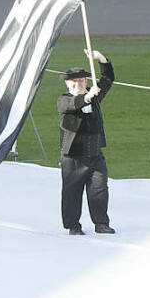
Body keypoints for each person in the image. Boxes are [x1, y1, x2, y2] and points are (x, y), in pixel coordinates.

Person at [58, 50, 116, 235]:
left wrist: (101, 59)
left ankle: (101, 223)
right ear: (68, 83)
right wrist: (87, 97)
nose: (78, 84)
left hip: (94, 153)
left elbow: (108, 79)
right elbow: (73, 104)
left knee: (99, 189)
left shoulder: (94, 95)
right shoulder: (64, 100)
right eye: (74, 82)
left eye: (82, 81)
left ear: (86, 81)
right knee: (72, 192)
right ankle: (73, 226)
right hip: (73, 157)